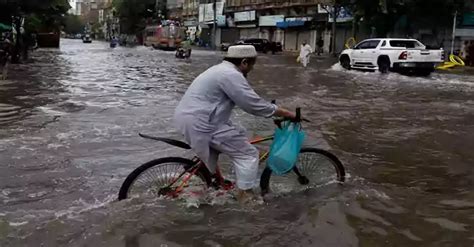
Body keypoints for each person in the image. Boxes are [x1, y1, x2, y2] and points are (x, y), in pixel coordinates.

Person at [173, 45, 296, 204]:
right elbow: (252, 104)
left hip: (193, 118)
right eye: (252, 65)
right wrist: (287, 113)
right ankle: (245, 196)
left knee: (239, 132)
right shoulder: (231, 75)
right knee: (249, 154)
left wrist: (270, 111)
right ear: (244, 62)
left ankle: (211, 180)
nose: (251, 69)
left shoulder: (219, 70)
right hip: (204, 123)